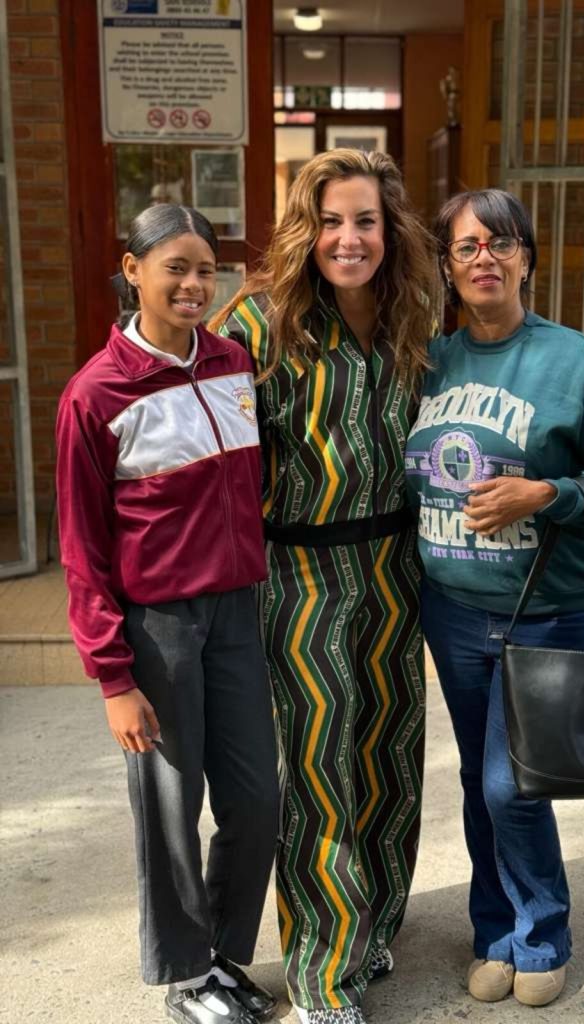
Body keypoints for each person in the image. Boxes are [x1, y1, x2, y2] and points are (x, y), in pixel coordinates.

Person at [405, 189, 584, 1008]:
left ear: (527, 259)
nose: (485, 257)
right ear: (447, 267)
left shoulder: (575, 361)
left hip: (549, 606)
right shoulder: (427, 362)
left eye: (501, 242)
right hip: (452, 605)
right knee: (482, 780)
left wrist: (547, 494)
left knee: (513, 784)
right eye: (466, 246)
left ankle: (542, 933)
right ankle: (494, 933)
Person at [209, 149, 441, 1024]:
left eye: (366, 221)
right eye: (331, 221)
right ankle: (322, 977)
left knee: (390, 760)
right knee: (319, 776)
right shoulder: (254, 325)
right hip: (299, 573)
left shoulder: (409, 312)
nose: (350, 238)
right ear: (304, 231)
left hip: (396, 567)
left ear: (390, 229)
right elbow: (208, 455)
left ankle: (372, 924)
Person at [56, 204, 280, 1024]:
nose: (192, 285)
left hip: (236, 615)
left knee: (256, 800)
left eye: (205, 270)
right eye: (174, 268)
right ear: (133, 270)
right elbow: (82, 549)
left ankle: (221, 955)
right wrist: (114, 678)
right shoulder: (96, 394)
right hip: (159, 630)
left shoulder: (232, 363)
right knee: (170, 810)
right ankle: (188, 978)